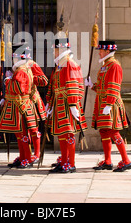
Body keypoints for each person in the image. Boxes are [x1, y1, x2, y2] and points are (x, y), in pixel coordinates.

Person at [85, 40, 131, 172]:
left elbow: (114, 87)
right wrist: (92, 86)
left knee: (113, 131)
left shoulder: (114, 65)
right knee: (104, 131)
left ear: (107, 51)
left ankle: (126, 160)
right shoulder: (105, 65)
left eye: (101, 50)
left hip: (110, 103)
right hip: (102, 102)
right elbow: (102, 87)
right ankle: (107, 160)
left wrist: (109, 104)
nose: (99, 53)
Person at [46, 38, 87, 173]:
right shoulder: (60, 65)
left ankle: (71, 163)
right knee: (62, 134)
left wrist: (73, 104)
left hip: (67, 103)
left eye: (55, 49)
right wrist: (50, 103)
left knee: (68, 134)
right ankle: (64, 161)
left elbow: (73, 84)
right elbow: (53, 86)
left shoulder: (69, 63)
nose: (53, 52)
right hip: (59, 102)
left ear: (61, 50)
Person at [0, 42, 38, 169]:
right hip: (21, 105)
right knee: (20, 134)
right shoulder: (23, 69)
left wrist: (8, 81)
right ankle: (23, 156)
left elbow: (19, 88)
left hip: (21, 106)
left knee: (22, 134)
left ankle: (27, 157)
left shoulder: (21, 71)